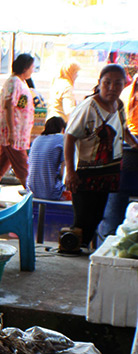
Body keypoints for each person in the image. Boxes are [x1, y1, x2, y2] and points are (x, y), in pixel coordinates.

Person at [64, 64, 138, 248]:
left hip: (106, 172)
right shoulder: (88, 107)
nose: (112, 88)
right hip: (84, 172)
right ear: (99, 83)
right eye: (107, 83)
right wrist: (70, 171)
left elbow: (124, 129)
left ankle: (81, 251)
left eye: (118, 83)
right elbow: (69, 137)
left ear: (124, 85)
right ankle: (72, 252)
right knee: (82, 217)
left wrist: (135, 144)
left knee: (97, 215)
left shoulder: (119, 105)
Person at [0, 53, 36, 188]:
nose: (32, 70)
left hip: (18, 130)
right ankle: (30, 193)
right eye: (31, 67)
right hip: (13, 131)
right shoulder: (15, 82)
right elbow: (10, 105)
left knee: (2, 164)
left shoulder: (21, 82)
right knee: (22, 165)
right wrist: (12, 132)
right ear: (25, 68)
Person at [26, 116, 68, 200]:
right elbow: (63, 172)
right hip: (52, 193)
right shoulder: (62, 139)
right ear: (62, 128)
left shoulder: (37, 139)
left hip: (31, 191)